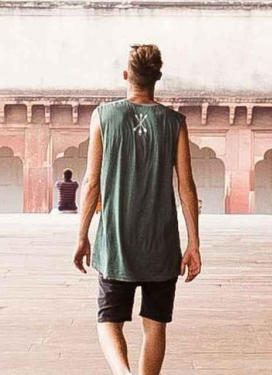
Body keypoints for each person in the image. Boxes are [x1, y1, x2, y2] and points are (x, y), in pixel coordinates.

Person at [74, 44, 201, 375]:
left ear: (127, 75)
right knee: (155, 324)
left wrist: (82, 235)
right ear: (157, 78)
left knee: (109, 320)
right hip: (161, 241)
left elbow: (90, 182)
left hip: (116, 239)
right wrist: (194, 243)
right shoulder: (174, 122)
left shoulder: (103, 116)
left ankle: (123, 373)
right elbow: (186, 186)